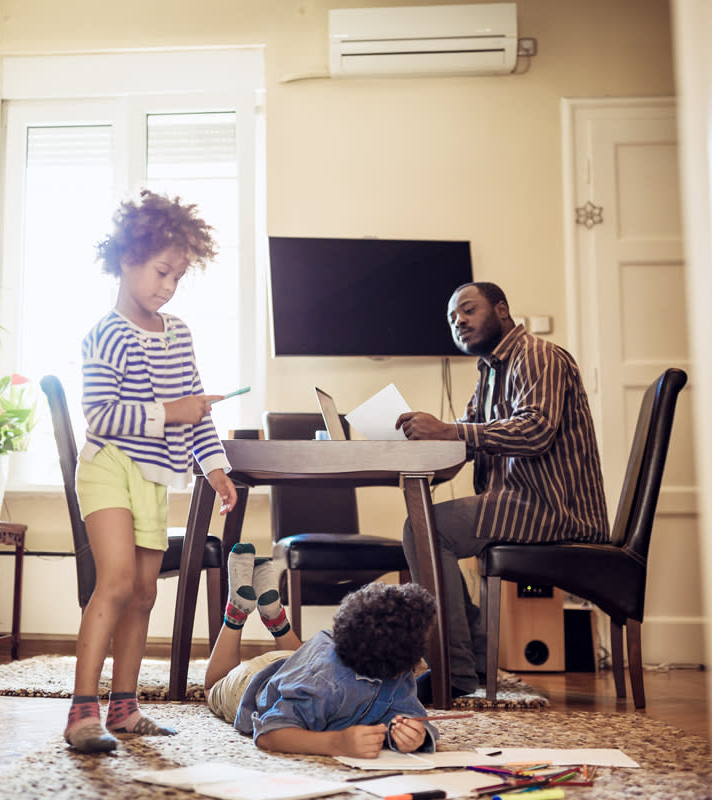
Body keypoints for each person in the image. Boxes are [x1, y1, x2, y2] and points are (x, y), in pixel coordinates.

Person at [64, 190, 240, 753]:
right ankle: (80, 712)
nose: (168, 286)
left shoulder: (180, 333)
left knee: (143, 593)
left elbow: (197, 413)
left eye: (178, 277)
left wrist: (214, 469)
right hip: (108, 468)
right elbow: (101, 414)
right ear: (126, 259)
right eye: (162, 271)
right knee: (115, 581)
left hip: (156, 475)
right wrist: (173, 412)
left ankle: (124, 709)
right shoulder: (106, 333)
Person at [395, 281, 608, 700]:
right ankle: (471, 660)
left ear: (502, 309)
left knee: (424, 530)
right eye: (453, 318)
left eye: (468, 310)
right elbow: (464, 443)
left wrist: (450, 430)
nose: (459, 322)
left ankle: (455, 673)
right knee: (423, 527)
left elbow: (536, 431)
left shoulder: (539, 356)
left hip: (550, 506)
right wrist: (420, 449)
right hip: (517, 502)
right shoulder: (490, 372)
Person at [204, 544, 440, 758]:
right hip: (252, 679)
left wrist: (417, 735)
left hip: (297, 660)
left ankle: (276, 619)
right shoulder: (323, 686)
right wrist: (336, 743)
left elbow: (413, 717)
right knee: (211, 688)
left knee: (307, 665)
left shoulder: (397, 675)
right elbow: (269, 733)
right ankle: (236, 612)